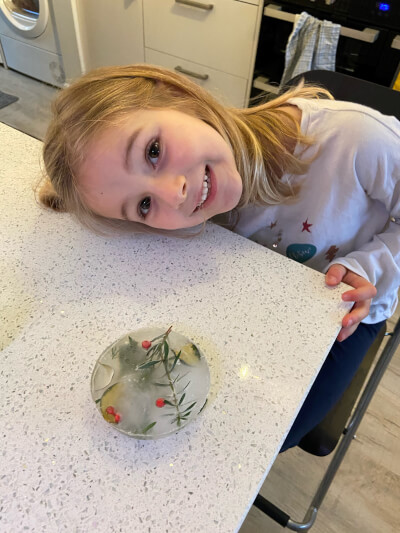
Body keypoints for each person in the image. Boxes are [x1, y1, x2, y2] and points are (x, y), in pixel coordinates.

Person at [38, 64, 400, 451]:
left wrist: (369, 265)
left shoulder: (356, 140)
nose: (173, 193)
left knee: (279, 434)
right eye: (144, 204)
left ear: (177, 94)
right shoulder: (196, 199)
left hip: (348, 307)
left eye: (153, 151)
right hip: (268, 294)